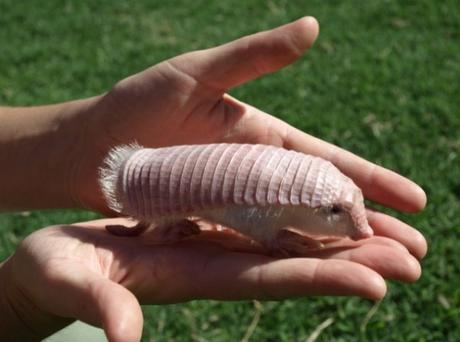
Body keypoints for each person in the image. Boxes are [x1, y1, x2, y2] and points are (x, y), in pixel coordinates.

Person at [0, 17, 427, 341]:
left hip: (159, 177)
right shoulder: (273, 198)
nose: (356, 228)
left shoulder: (291, 188)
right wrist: (15, 304)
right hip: (157, 184)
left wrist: (78, 141)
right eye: (338, 213)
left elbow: (235, 207)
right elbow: (241, 213)